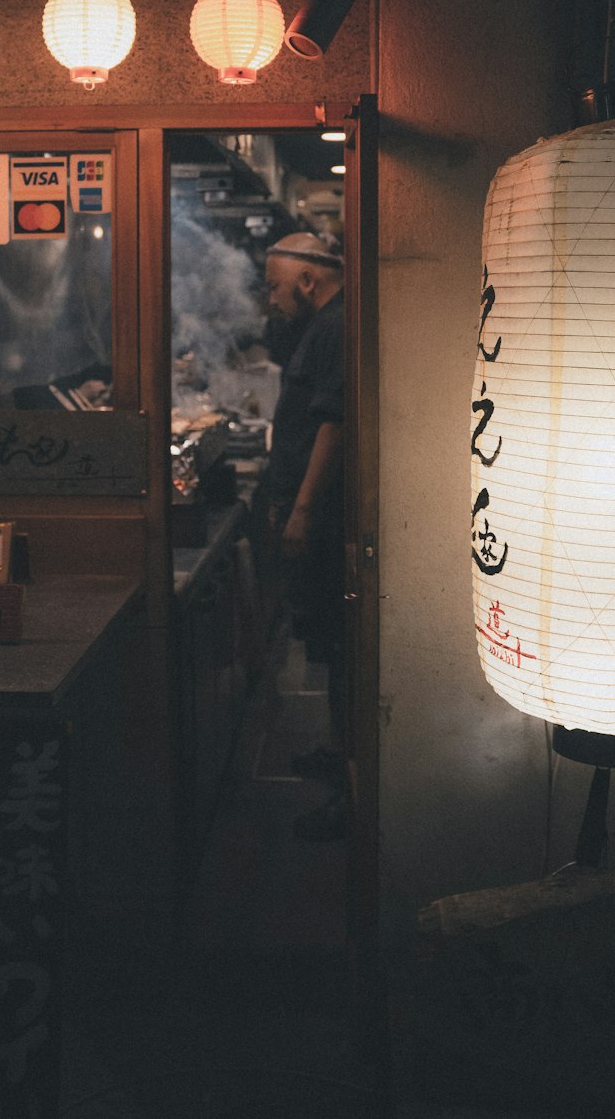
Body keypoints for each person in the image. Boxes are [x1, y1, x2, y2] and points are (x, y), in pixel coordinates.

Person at [264, 232, 346, 841]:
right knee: (329, 644)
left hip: (325, 520)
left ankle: (350, 790)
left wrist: (302, 512)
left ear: (308, 281)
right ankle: (340, 752)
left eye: (274, 285)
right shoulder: (320, 327)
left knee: (344, 650)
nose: (269, 298)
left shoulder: (336, 327)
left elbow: (333, 424)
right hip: (311, 514)